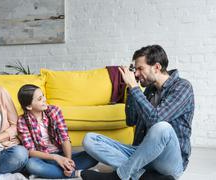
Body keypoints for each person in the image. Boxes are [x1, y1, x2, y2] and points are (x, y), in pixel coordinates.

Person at [81, 45, 195, 180]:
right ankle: (144, 177)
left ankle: (119, 176)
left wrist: (135, 88)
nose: (136, 74)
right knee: (90, 140)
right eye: (136, 69)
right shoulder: (149, 90)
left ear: (157, 67)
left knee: (162, 127)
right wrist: (131, 90)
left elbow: (156, 119)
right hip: (143, 155)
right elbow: (131, 120)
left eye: (140, 69)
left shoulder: (182, 87)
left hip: (169, 162)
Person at [17, 84, 98, 179]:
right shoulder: (22, 121)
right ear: (29, 106)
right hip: (43, 158)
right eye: (39, 99)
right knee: (31, 165)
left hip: (62, 153)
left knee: (94, 156)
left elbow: (64, 138)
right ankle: (73, 174)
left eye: (43, 95)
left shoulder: (54, 111)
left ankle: (54, 172)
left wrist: (68, 161)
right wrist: (56, 158)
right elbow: (30, 151)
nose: (44, 99)